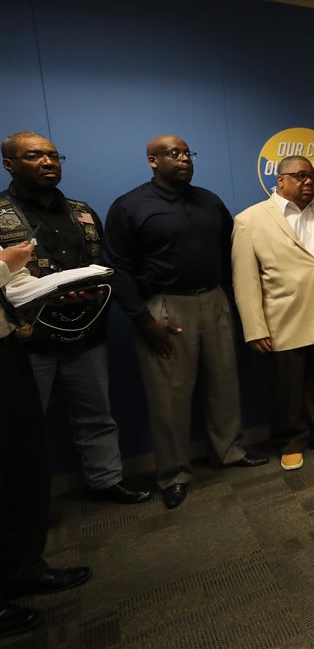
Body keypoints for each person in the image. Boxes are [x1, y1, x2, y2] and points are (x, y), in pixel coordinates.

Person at [102, 136, 267, 510]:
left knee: (225, 382)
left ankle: (228, 451)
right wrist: (143, 320)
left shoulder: (209, 201)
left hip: (214, 299)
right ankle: (174, 474)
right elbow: (118, 269)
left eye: (187, 153)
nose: (183, 159)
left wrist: (230, 300)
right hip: (165, 307)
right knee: (169, 396)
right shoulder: (130, 206)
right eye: (173, 154)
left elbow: (230, 253)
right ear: (152, 161)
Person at [0, 131, 150, 505]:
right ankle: (27, 506)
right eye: (34, 156)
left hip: (86, 333)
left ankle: (106, 481)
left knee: (97, 415)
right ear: (9, 165)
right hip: (26, 341)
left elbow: (103, 265)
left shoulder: (82, 212)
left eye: (53, 155)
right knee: (23, 427)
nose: (47, 162)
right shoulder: (1, 214)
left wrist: (91, 290)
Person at [231, 155, 314, 471]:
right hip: (284, 319)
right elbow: (245, 280)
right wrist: (255, 327)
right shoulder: (249, 221)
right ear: (280, 180)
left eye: (312, 176)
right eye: (300, 176)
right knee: (288, 385)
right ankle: (291, 440)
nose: (308, 181)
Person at [1, 240, 91, 638]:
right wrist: (5, 264)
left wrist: (47, 287)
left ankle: (21, 569)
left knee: (22, 464)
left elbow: (14, 284)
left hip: (7, 345)